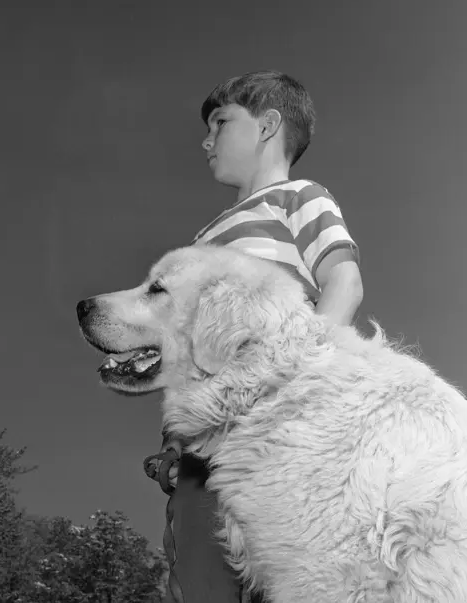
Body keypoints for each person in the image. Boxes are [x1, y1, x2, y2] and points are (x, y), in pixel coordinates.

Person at [143, 70, 363, 603]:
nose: (206, 139)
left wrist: (299, 380)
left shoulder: (297, 199)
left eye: (220, 122)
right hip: (205, 452)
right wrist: (175, 440)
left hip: (276, 435)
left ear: (267, 125)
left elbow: (344, 282)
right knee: (198, 580)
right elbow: (187, 353)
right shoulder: (202, 242)